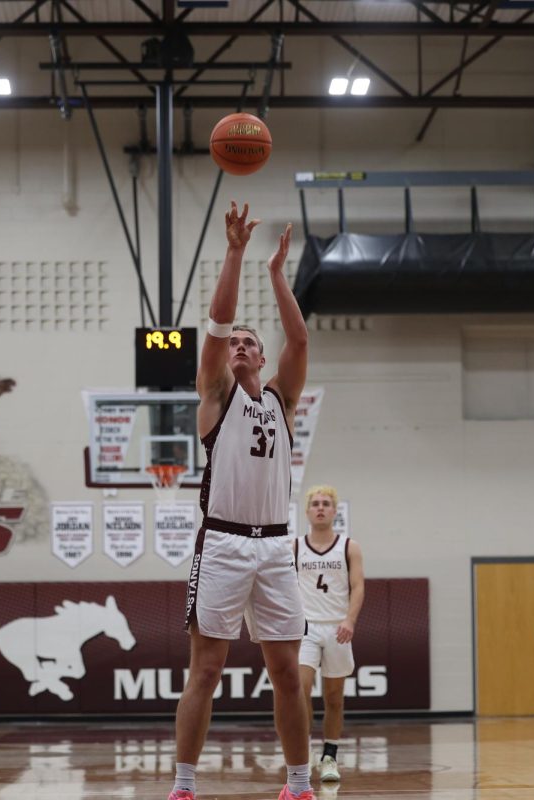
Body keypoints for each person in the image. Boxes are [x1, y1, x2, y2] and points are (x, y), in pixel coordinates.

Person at [171, 202, 310, 800]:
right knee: (206, 669)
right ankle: (183, 785)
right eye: (236, 343)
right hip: (224, 542)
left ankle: (299, 783)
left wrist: (278, 274)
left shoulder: (281, 400)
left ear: (261, 356)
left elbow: (299, 338)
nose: (241, 346)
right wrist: (234, 253)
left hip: (277, 546)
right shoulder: (215, 397)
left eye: (251, 343)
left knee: (285, 673)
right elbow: (218, 326)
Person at [295, 485, 363, 784]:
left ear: (335, 511)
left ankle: (329, 757)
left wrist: (350, 619)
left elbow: (358, 586)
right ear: (307, 511)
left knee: (334, 698)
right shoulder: (294, 546)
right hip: (306, 627)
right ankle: (302, 752)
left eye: (326, 504)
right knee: (301, 689)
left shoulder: (349, 546)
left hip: (337, 627)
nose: (320, 508)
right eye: (315, 504)